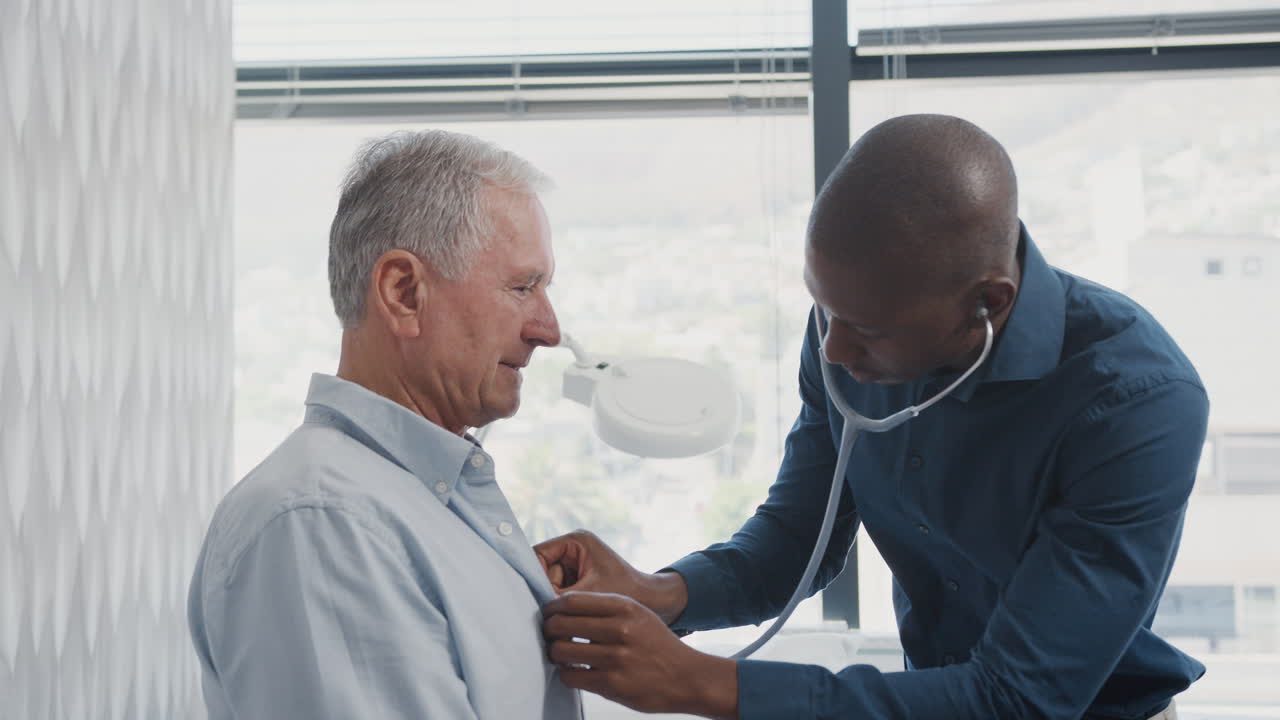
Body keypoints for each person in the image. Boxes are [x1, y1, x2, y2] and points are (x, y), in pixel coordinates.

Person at [536, 114, 1206, 720]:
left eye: (865, 330)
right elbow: (796, 542)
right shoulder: (850, 318)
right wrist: (659, 593)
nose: (833, 351)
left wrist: (701, 684)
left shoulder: (1138, 404)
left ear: (988, 303)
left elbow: (1015, 699)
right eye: (823, 311)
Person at [187, 130, 581, 720]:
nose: (549, 330)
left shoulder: (417, 502)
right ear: (403, 292)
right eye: (522, 288)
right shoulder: (324, 525)